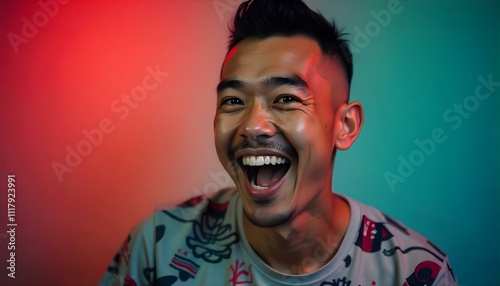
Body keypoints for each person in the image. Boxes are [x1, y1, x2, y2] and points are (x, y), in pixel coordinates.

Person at [101, 0, 456, 285]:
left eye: (286, 99)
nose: (253, 126)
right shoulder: (157, 247)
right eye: (233, 101)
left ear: (345, 126)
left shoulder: (415, 271)